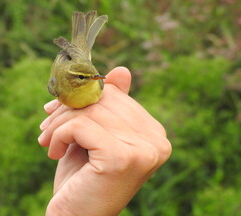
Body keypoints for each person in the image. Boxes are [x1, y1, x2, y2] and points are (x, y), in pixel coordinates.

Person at [38, 67, 172, 216]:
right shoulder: (63, 85)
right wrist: (66, 212)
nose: (96, 79)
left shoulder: (96, 86)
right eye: (84, 78)